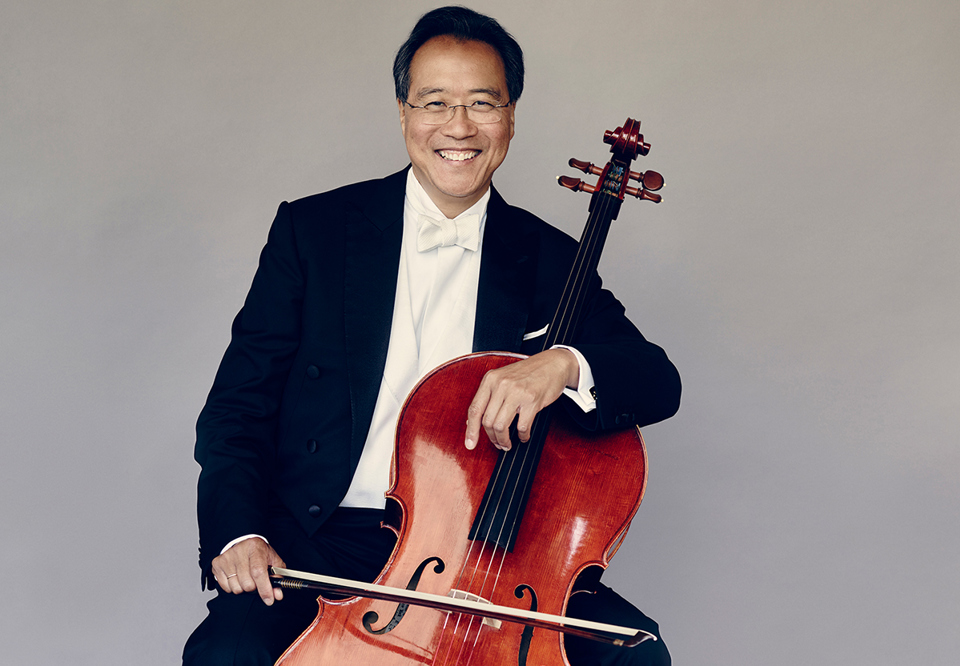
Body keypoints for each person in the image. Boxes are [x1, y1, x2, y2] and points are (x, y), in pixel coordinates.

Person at [183, 6, 680, 665]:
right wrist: (239, 534)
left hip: (490, 556)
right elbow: (237, 409)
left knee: (636, 656)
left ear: (509, 118)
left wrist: (560, 363)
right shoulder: (315, 233)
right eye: (435, 102)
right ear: (403, 113)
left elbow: (656, 380)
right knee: (226, 655)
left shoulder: (549, 259)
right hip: (317, 540)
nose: (459, 126)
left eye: (483, 103)